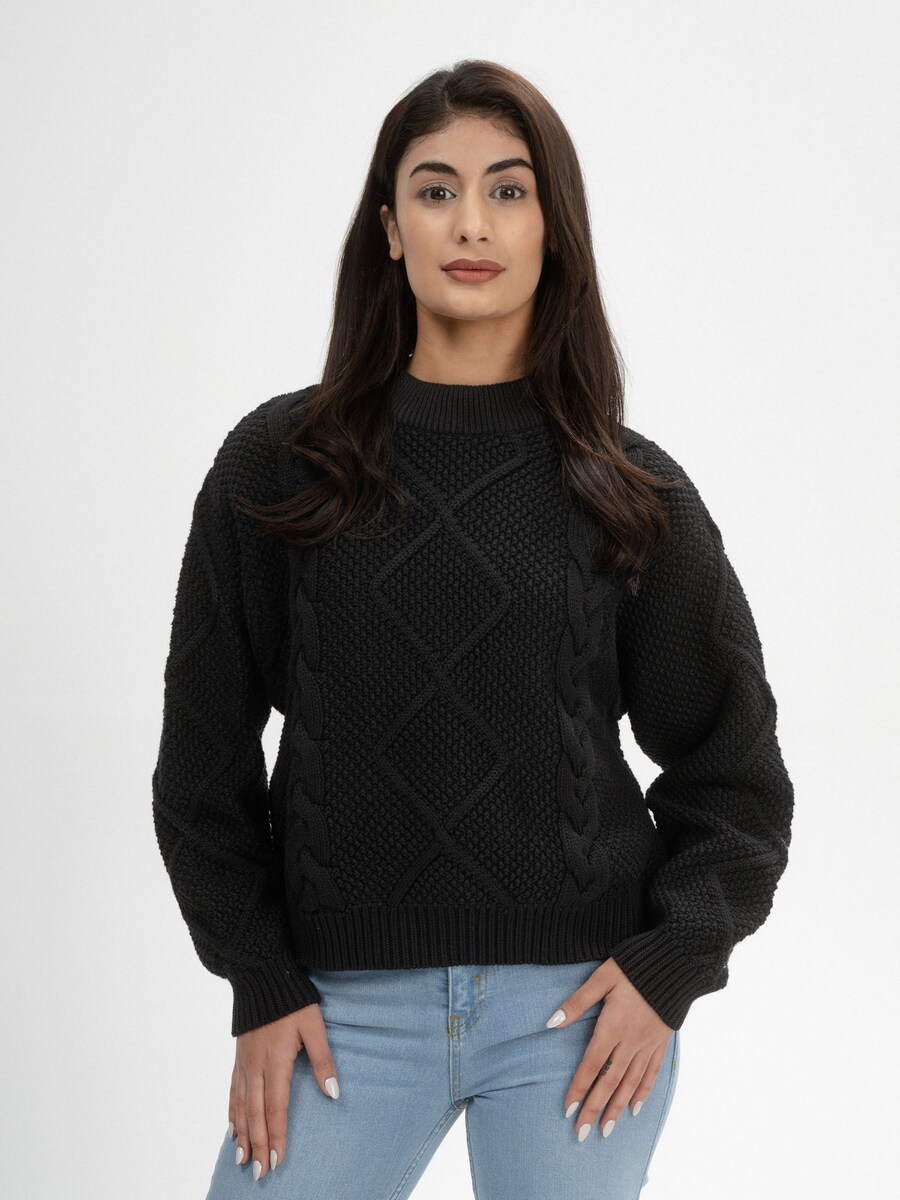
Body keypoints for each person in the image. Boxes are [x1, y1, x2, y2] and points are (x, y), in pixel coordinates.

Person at [151, 59, 794, 1199]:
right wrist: (259, 979)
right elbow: (202, 763)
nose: (471, 224)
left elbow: (735, 777)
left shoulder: (630, 489)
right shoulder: (278, 466)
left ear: (554, 227)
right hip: (336, 1017)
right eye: (436, 190)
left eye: (508, 190)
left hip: (575, 1018)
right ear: (389, 228)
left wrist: (668, 968)